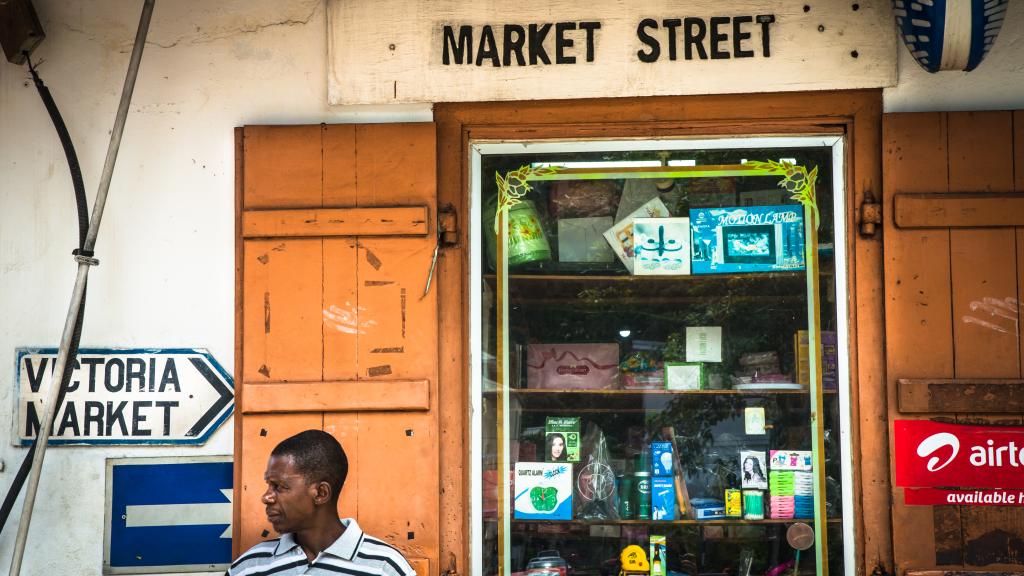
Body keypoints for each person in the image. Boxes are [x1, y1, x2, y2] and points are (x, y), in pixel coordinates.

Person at [228, 430, 417, 576]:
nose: (266, 497)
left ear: (321, 493)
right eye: (269, 485)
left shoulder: (385, 567)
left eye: (279, 486)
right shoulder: (250, 567)